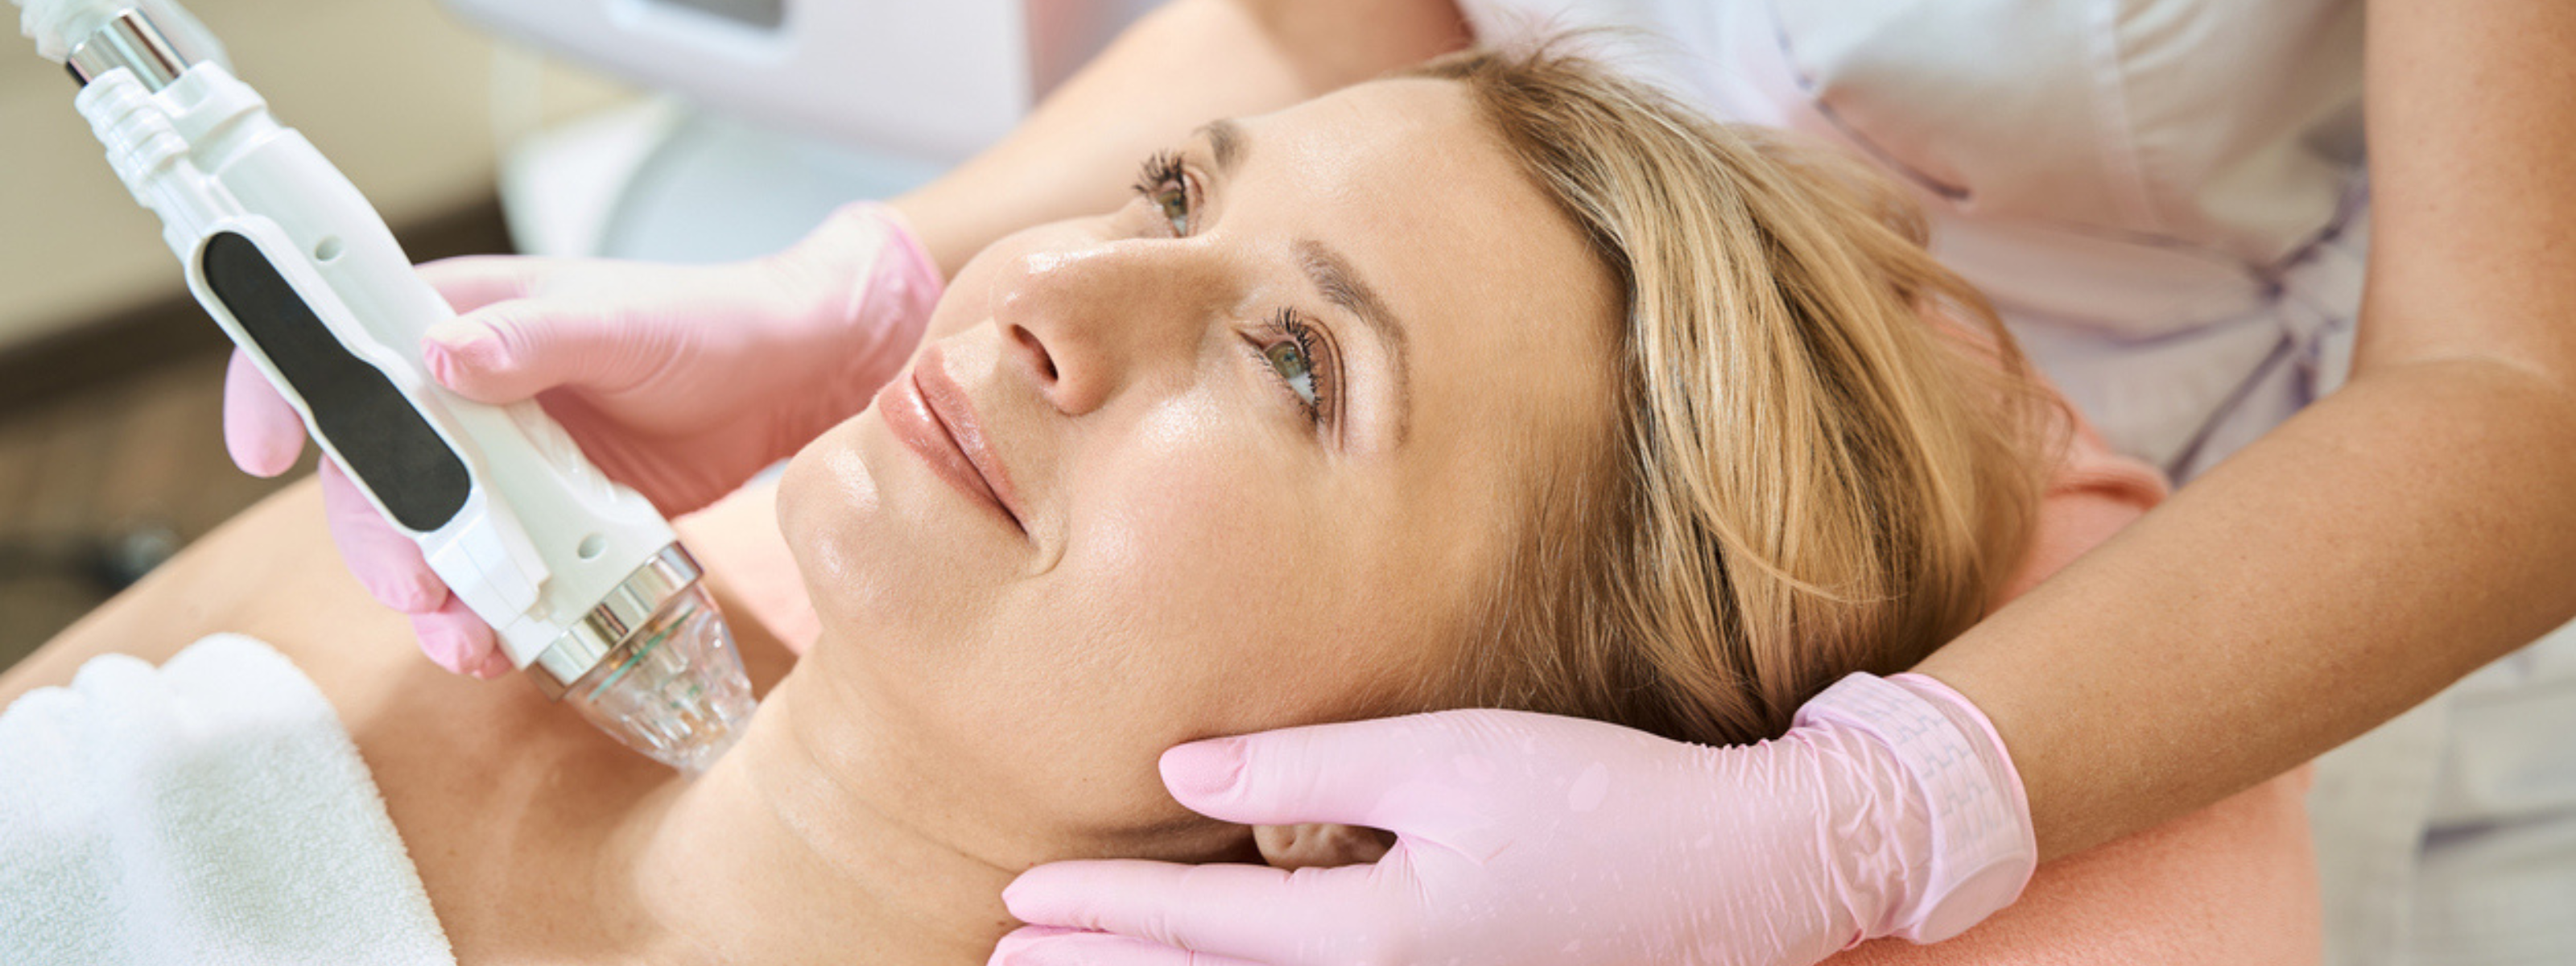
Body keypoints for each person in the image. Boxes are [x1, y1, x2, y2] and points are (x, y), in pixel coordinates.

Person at [222, 1, 2576, 964]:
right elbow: (1334, 57)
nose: (1045, 309)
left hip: (2213, 530)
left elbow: (2517, 382)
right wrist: (867, 294)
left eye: (1287, 367)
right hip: (1490, 224)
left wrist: (1860, 811)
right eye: (1158, 215)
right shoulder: (221, 772)